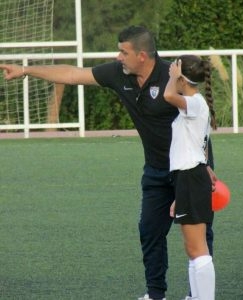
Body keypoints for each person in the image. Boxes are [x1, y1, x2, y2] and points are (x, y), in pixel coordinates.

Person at [0, 26, 217, 300]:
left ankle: (195, 295)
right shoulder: (119, 74)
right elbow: (71, 73)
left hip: (190, 169)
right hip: (155, 171)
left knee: (199, 239)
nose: (118, 57)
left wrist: (205, 164)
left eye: (123, 52)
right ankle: (155, 294)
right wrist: (26, 70)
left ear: (141, 55)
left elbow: (199, 125)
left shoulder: (172, 77)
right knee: (149, 232)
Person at [164, 56, 217, 300]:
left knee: (198, 248)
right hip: (188, 179)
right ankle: (195, 297)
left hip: (192, 177)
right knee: (192, 248)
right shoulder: (195, 105)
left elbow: (168, 97)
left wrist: (173, 78)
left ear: (182, 78)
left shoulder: (195, 103)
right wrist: (179, 195)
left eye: (174, 72)